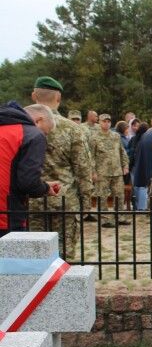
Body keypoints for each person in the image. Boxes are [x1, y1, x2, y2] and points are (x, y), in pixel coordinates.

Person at [27, 76, 94, 255]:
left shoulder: (23, 127)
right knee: (64, 256)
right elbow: (83, 169)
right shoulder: (72, 129)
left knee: (35, 256)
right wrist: (86, 202)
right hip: (65, 201)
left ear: (34, 96)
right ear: (58, 98)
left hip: (30, 201)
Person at [0, 102, 60, 237]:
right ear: (39, 120)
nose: (44, 135)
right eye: (46, 132)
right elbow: (28, 182)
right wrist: (45, 188)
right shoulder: (32, 134)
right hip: (7, 215)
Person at [90, 114, 130, 227]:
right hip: (102, 172)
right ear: (100, 122)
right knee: (102, 196)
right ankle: (105, 219)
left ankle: (120, 216)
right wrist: (93, 172)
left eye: (108, 121)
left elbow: (122, 152)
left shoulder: (116, 136)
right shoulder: (94, 137)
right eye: (104, 121)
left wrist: (125, 165)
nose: (106, 123)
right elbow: (91, 156)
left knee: (119, 195)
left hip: (117, 171)